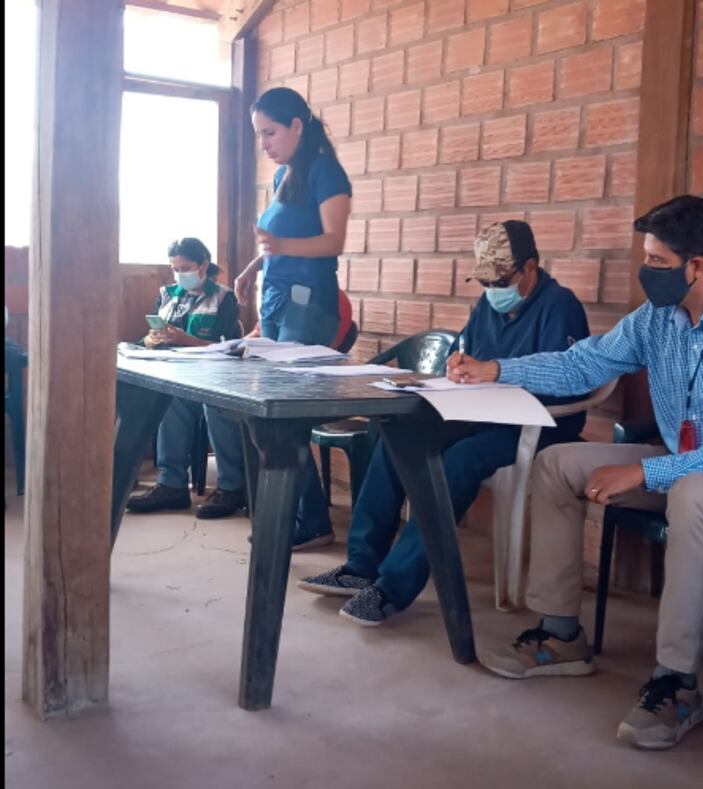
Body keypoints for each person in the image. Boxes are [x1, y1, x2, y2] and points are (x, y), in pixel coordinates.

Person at [449, 196, 703, 751]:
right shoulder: (657, 320)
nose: (647, 272)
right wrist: (497, 369)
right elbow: (581, 363)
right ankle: (560, 634)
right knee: (556, 464)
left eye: (657, 262)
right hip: (676, 465)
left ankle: (677, 681)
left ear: (697, 265)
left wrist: (648, 473)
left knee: (693, 493)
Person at [298, 220, 591, 624]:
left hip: (534, 425)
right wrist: (458, 365)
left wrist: (496, 372)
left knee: (459, 461)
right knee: (395, 433)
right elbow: (465, 351)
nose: (493, 290)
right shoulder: (489, 304)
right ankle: (362, 564)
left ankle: (393, 587)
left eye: (500, 279)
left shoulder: (560, 306)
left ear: (530, 268)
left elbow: (568, 381)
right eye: (485, 281)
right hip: (478, 411)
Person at [200, 87, 352, 548]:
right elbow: (275, 242)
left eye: (270, 132)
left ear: (297, 127)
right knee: (260, 410)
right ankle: (301, 513)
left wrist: (280, 249)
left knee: (281, 416)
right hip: (279, 300)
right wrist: (251, 268)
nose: (264, 143)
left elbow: (333, 242)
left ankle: (309, 521)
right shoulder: (286, 175)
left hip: (310, 303)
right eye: (258, 135)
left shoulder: (326, 172)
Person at [126, 238, 245, 517]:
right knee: (170, 403)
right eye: (175, 268)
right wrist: (150, 340)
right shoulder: (167, 295)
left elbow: (229, 347)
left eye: (186, 267)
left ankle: (231, 487)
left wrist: (185, 339)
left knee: (214, 405)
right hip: (177, 376)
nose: (180, 273)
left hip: (215, 379)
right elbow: (151, 335)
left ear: (204, 265)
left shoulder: (224, 298)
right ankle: (172, 485)